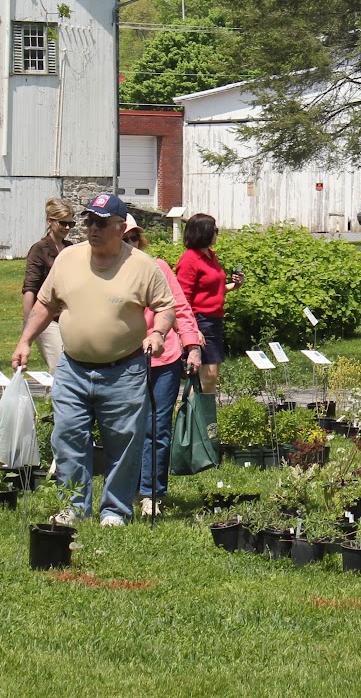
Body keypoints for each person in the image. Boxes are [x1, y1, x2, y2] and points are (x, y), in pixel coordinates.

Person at [12, 193, 175, 528]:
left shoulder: (142, 265)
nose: (92, 228)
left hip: (124, 370)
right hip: (73, 368)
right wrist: (25, 340)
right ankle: (74, 506)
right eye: (89, 221)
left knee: (123, 444)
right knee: (67, 437)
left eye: (102, 222)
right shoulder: (68, 259)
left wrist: (158, 333)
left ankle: (115, 511)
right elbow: (45, 304)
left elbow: (165, 307)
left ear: (121, 227)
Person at [124, 217, 202, 518]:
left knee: (157, 429)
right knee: (126, 429)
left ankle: (151, 493)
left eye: (133, 238)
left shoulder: (157, 267)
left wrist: (192, 346)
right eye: (124, 238)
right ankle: (125, 491)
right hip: (124, 359)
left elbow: (180, 307)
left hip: (163, 358)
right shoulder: (105, 271)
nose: (130, 244)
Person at [174, 213, 241, 446]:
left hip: (215, 320)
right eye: (214, 230)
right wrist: (192, 330)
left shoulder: (210, 256)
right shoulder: (189, 260)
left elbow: (214, 289)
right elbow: (182, 298)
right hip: (200, 320)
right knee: (204, 377)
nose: (217, 234)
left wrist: (233, 285)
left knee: (211, 377)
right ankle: (191, 431)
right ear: (203, 232)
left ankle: (206, 431)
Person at [21, 198, 75, 372]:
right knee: (59, 366)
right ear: (50, 221)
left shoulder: (71, 249)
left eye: (71, 224)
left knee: (73, 367)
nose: (67, 228)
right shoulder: (39, 249)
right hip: (45, 318)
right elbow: (30, 287)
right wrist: (28, 325)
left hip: (68, 317)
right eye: (63, 223)